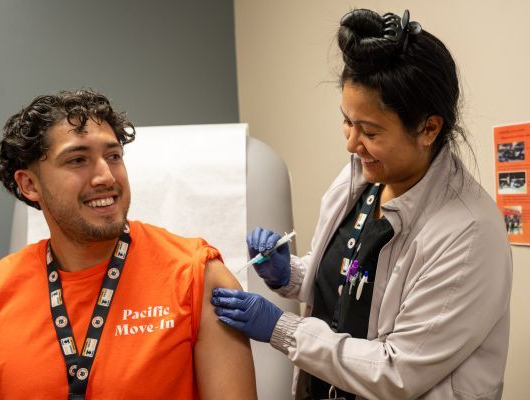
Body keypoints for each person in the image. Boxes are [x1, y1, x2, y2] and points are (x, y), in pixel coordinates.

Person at [211, 8, 512, 400]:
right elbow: (355, 282)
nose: (351, 144)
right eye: (347, 122)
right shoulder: (363, 176)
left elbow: (396, 370)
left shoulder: (469, 236)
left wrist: (281, 329)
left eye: (369, 130)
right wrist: (291, 274)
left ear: (429, 128)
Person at [0, 89, 257, 399]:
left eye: (113, 156)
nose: (106, 177)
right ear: (30, 184)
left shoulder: (198, 278)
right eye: (78, 160)